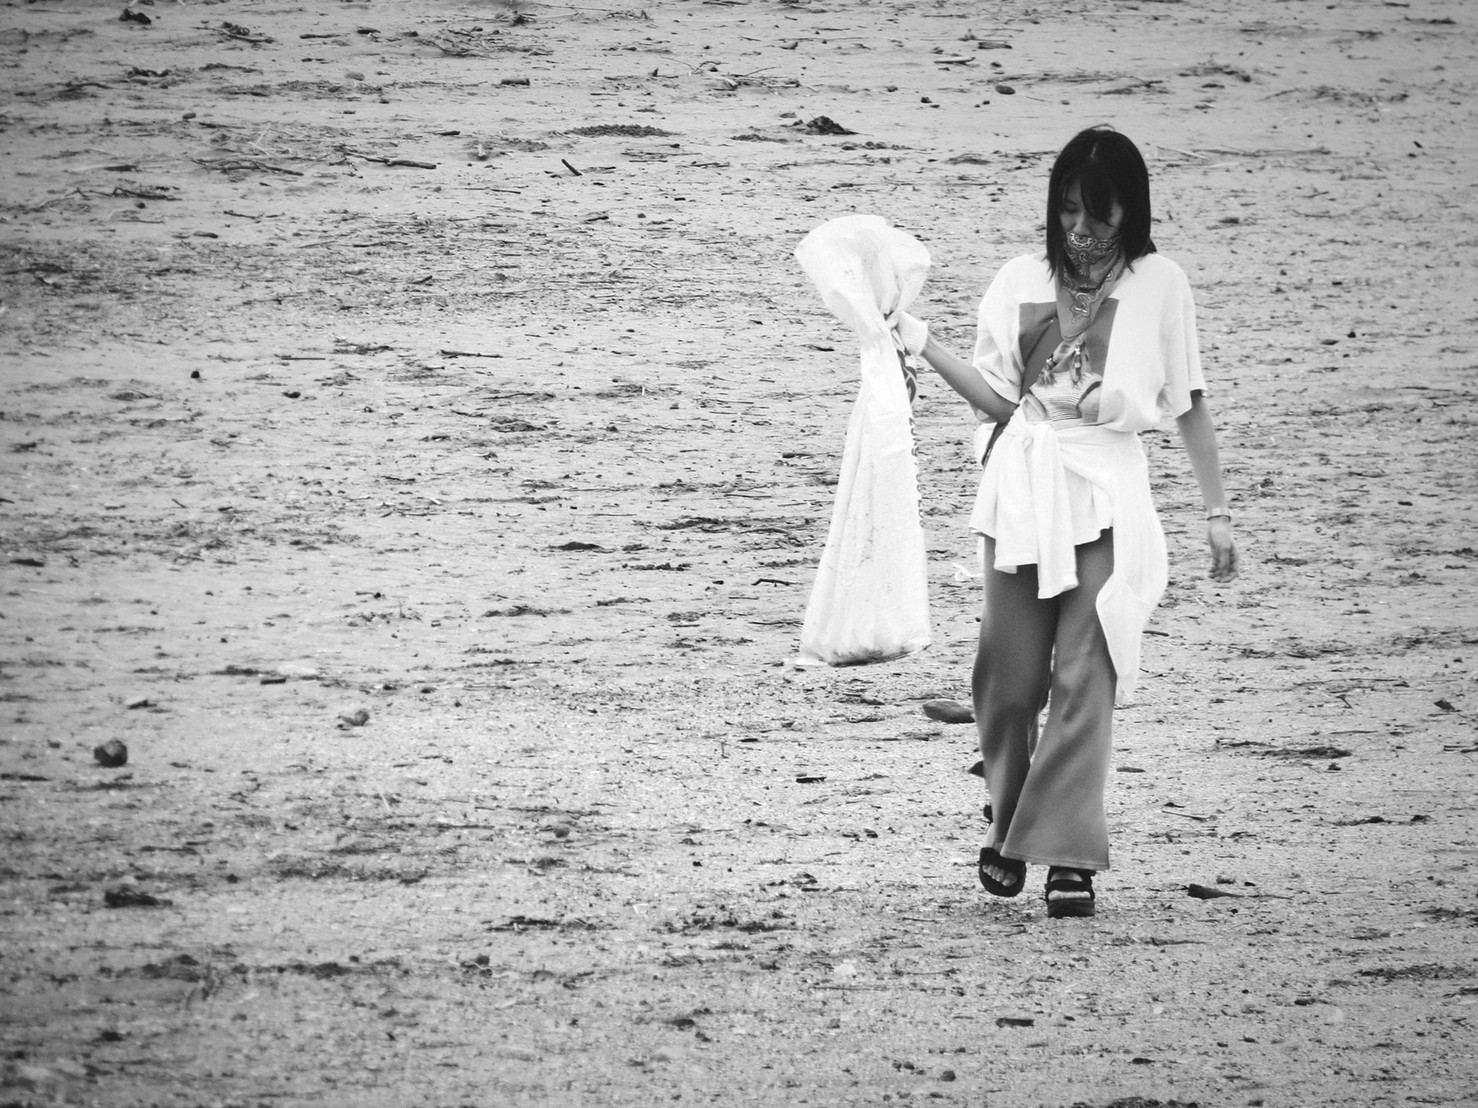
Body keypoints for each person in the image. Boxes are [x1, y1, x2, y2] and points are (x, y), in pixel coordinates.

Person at [890, 125, 1239, 918]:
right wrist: (919, 340)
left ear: (1132, 211)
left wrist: (1216, 512)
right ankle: (1011, 821)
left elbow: (1187, 401)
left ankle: (1069, 857)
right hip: (1022, 490)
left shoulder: (1160, 285)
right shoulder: (1019, 280)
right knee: (1008, 682)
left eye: (1100, 213)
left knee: (1086, 672)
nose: (1081, 228)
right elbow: (999, 400)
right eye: (1069, 210)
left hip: (1107, 491)